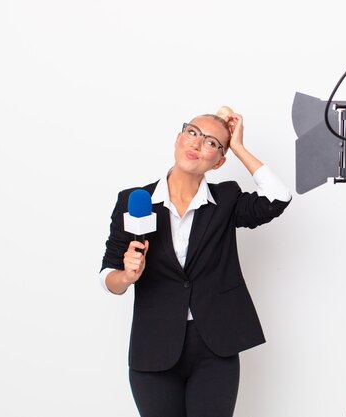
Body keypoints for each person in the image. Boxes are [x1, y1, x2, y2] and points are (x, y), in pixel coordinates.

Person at [99, 106, 291, 417]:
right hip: (154, 347)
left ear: (219, 161)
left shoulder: (226, 200)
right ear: (178, 139)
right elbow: (108, 273)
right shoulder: (135, 200)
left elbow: (278, 197)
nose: (197, 144)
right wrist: (126, 276)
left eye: (212, 142)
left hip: (215, 345)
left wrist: (239, 145)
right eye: (192, 133)